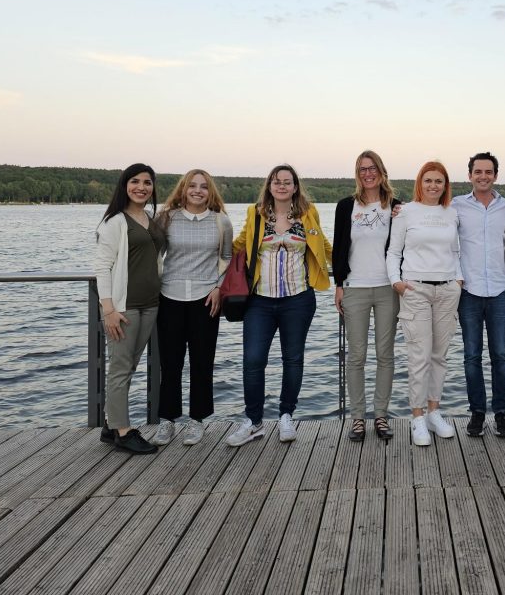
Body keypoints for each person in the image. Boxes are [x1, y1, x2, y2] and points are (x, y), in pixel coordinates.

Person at [226, 164, 332, 446]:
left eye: (287, 182)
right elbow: (238, 245)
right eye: (277, 181)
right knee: (253, 360)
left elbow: (323, 245)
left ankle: (287, 416)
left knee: (293, 359)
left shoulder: (308, 213)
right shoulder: (256, 214)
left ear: (295, 186)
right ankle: (253, 421)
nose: (282, 186)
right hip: (260, 301)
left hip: (298, 299)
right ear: (269, 186)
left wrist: (349, 268)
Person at [150, 169, 232, 447]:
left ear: (211, 192)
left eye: (204, 187)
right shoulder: (166, 218)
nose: (198, 191)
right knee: (170, 364)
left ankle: (197, 421)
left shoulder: (221, 221)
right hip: (169, 298)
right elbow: (153, 254)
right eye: (192, 186)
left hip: (205, 300)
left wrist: (219, 288)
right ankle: (167, 421)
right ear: (183, 190)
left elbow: (227, 257)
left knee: (201, 363)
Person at [386, 161, 462, 447]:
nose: (433, 186)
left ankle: (434, 411)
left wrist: (459, 281)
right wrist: (397, 282)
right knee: (419, 356)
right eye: (428, 180)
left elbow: (457, 252)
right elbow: (393, 252)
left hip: (446, 290)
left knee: (439, 356)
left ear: (445, 185)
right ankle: (416, 417)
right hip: (415, 290)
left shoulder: (451, 213)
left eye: (438, 181)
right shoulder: (405, 212)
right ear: (420, 183)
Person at [95, 163, 166, 455]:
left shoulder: (150, 218)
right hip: (124, 308)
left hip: (150, 304)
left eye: (147, 182)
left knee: (129, 366)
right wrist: (108, 309)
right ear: (125, 185)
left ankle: (111, 425)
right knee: (121, 368)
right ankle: (123, 432)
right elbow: (102, 266)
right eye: (135, 181)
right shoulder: (114, 222)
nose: (141, 187)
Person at [332, 150, 402, 442]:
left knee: (385, 354)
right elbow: (338, 247)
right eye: (362, 169)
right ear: (357, 173)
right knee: (357, 355)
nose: (368, 174)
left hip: (388, 288)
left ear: (381, 171)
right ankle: (358, 418)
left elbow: (404, 248)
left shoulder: (397, 207)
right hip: (355, 287)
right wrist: (338, 284)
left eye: (372, 168)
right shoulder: (345, 206)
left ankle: (381, 416)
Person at [452, 152, 505, 438]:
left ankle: (502, 413)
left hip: (501, 291)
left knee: (501, 355)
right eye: (478, 172)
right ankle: (477, 413)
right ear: (470, 175)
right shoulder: (456, 207)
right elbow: (431, 221)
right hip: (469, 292)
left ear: (495, 175)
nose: (483, 177)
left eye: (488, 172)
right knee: (471, 356)